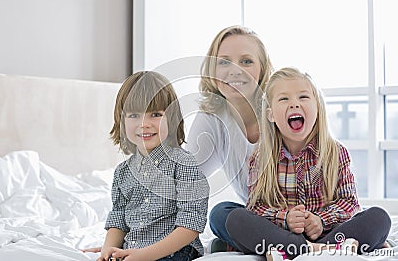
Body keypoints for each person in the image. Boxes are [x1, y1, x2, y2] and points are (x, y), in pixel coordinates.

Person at [225, 67, 391, 260]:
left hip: (329, 234)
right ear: (270, 115)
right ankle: (317, 250)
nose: (294, 104)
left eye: (303, 97)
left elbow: (350, 203)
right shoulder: (261, 158)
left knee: (379, 218)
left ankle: (300, 250)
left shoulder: (336, 153)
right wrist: (285, 218)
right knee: (233, 218)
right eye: (284, 99)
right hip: (281, 234)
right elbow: (255, 207)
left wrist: (321, 220)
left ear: (317, 108)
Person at [93, 71, 209, 261]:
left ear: (171, 118)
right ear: (121, 121)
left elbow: (191, 223)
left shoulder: (184, 164)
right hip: (132, 249)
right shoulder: (122, 172)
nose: (144, 124)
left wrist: (144, 255)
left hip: (174, 252)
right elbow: (119, 218)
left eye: (155, 114)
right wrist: (109, 249)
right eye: (134, 115)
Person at [185, 25, 273, 252]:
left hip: (306, 213)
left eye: (246, 61)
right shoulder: (212, 117)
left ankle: (274, 245)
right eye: (224, 62)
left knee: (375, 219)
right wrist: (131, 237)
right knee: (220, 215)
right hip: (261, 221)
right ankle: (295, 247)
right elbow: (183, 183)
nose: (235, 70)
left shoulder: (280, 108)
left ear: (262, 70)